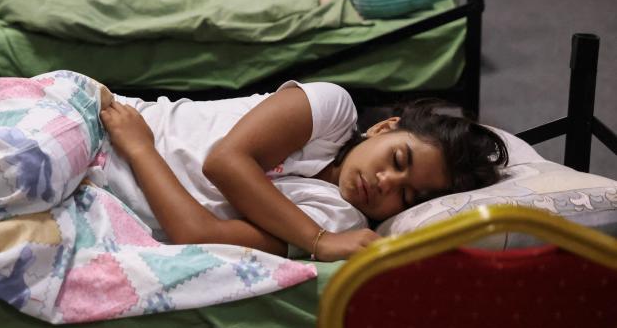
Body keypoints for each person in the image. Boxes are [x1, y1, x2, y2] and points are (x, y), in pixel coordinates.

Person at [98, 81, 507, 260]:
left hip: (110, 187)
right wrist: (318, 241)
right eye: (398, 161)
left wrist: (139, 149)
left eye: (408, 196)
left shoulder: (339, 218)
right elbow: (224, 162)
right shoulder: (331, 110)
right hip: (107, 119)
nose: (386, 183)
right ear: (384, 128)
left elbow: (199, 235)